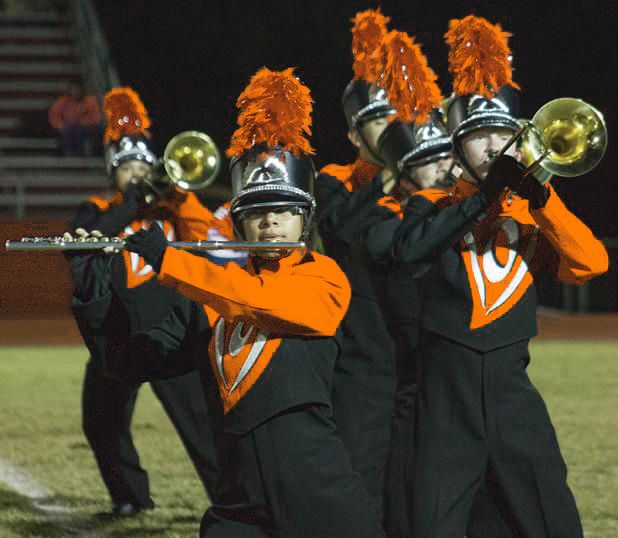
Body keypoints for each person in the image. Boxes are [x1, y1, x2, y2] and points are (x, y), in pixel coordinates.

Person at [121, 67, 386, 537]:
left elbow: (257, 301)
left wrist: (173, 263)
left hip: (315, 483)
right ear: (240, 225)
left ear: (304, 221)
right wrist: (94, 287)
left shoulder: (324, 277)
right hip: (238, 491)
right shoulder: (218, 288)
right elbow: (136, 358)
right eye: (257, 212)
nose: (270, 223)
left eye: (284, 211)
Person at [387, 15, 608, 536]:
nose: (491, 147)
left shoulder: (534, 210)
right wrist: (482, 200)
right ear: (457, 148)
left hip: (513, 396)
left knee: (551, 518)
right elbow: (411, 252)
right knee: (432, 524)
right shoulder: (429, 204)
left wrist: (545, 200)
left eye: (501, 134)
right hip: (445, 405)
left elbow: (590, 264)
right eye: (478, 137)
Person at [67, 87, 223, 517]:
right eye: (126, 167)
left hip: (172, 330)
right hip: (117, 334)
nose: (136, 174)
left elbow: (206, 237)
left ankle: (230, 501)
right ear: (111, 173)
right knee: (102, 422)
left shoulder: (173, 210)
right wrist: (138, 197)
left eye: (142, 166)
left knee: (200, 425)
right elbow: (88, 237)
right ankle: (130, 498)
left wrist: (176, 192)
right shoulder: (97, 208)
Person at [314, 11, 400, 518]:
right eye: (377, 124)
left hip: (424, 360)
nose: (391, 132)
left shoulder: (430, 175)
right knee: (360, 483)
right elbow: (339, 227)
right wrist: (394, 177)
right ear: (352, 134)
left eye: (397, 121)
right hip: (363, 363)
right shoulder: (336, 177)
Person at [48, 81, 101, 156]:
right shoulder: (63, 101)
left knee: (78, 131)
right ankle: (69, 153)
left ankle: (81, 154)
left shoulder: (90, 101)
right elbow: (54, 114)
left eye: (78, 90)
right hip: (68, 128)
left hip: (85, 128)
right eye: (73, 90)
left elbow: (96, 116)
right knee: (69, 131)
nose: (76, 92)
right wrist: (59, 125)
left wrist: (86, 123)